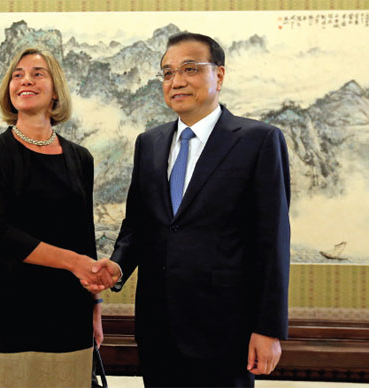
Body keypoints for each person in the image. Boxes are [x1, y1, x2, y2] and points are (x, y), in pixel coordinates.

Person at [89, 32, 291, 387]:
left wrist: (268, 328)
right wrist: (118, 264)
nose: (176, 81)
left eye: (190, 69)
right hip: (157, 328)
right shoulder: (149, 143)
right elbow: (138, 224)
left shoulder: (259, 141)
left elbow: (272, 242)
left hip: (226, 331)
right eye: (167, 73)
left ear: (220, 75)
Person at [0, 47, 115, 388]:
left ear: (55, 89)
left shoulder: (80, 158)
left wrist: (94, 305)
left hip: (69, 311)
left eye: (38, 73)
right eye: (18, 74)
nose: (25, 80)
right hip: (10, 309)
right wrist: (75, 263)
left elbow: (85, 235)